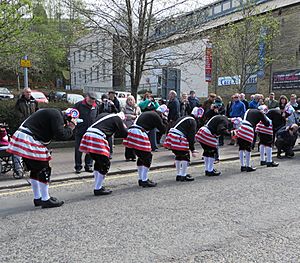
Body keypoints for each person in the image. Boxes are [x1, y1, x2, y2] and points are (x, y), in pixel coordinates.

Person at [7, 108, 75, 208]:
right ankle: (45, 199)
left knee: (35, 170)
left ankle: (38, 198)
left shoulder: (51, 112)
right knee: (44, 169)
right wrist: (71, 128)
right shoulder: (57, 115)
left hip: (23, 137)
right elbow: (61, 134)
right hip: (29, 139)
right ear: (67, 118)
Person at [79, 112, 128, 195]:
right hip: (97, 136)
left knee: (99, 162)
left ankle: (98, 186)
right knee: (105, 163)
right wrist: (124, 127)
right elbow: (124, 134)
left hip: (88, 134)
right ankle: (98, 188)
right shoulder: (117, 118)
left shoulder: (104, 115)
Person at [123, 105, 167, 187]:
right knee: (147, 156)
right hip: (138, 132)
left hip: (131, 131)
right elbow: (163, 129)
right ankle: (144, 180)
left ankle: (141, 179)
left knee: (141, 156)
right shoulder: (156, 116)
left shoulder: (148, 113)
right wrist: (164, 121)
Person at [163, 107, 203, 182]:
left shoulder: (185, 117)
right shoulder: (193, 121)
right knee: (185, 156)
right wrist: (192, 149)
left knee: (178, 156)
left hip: (171, 136)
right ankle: (183, 175)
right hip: (178, 137)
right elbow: (191, 137)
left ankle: (179, 174)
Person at [73, 92, 99, 173]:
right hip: (80, 131)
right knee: (78, 150)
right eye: (91, 98)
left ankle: (89, 165)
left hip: (91, 132)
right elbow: (73, 116)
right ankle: (78, 166)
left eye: (94, 99)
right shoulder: (78, 105)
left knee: (90, 149)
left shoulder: (96, 106)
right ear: (86, 97)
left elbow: (96, 117)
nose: (92, 101)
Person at [122, 95, 141, 161]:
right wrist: (130, 116)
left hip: (135, 127)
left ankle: (133, 156)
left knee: (134, 141)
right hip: (128, 126)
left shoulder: (137, 107)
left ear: (134, 101)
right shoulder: (124, 107)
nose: (130, 101)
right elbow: (122, 116)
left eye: (131, 100)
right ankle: (128, 156)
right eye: (129, 100)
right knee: (128, 142)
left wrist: (136, 115)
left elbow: (140, 115)